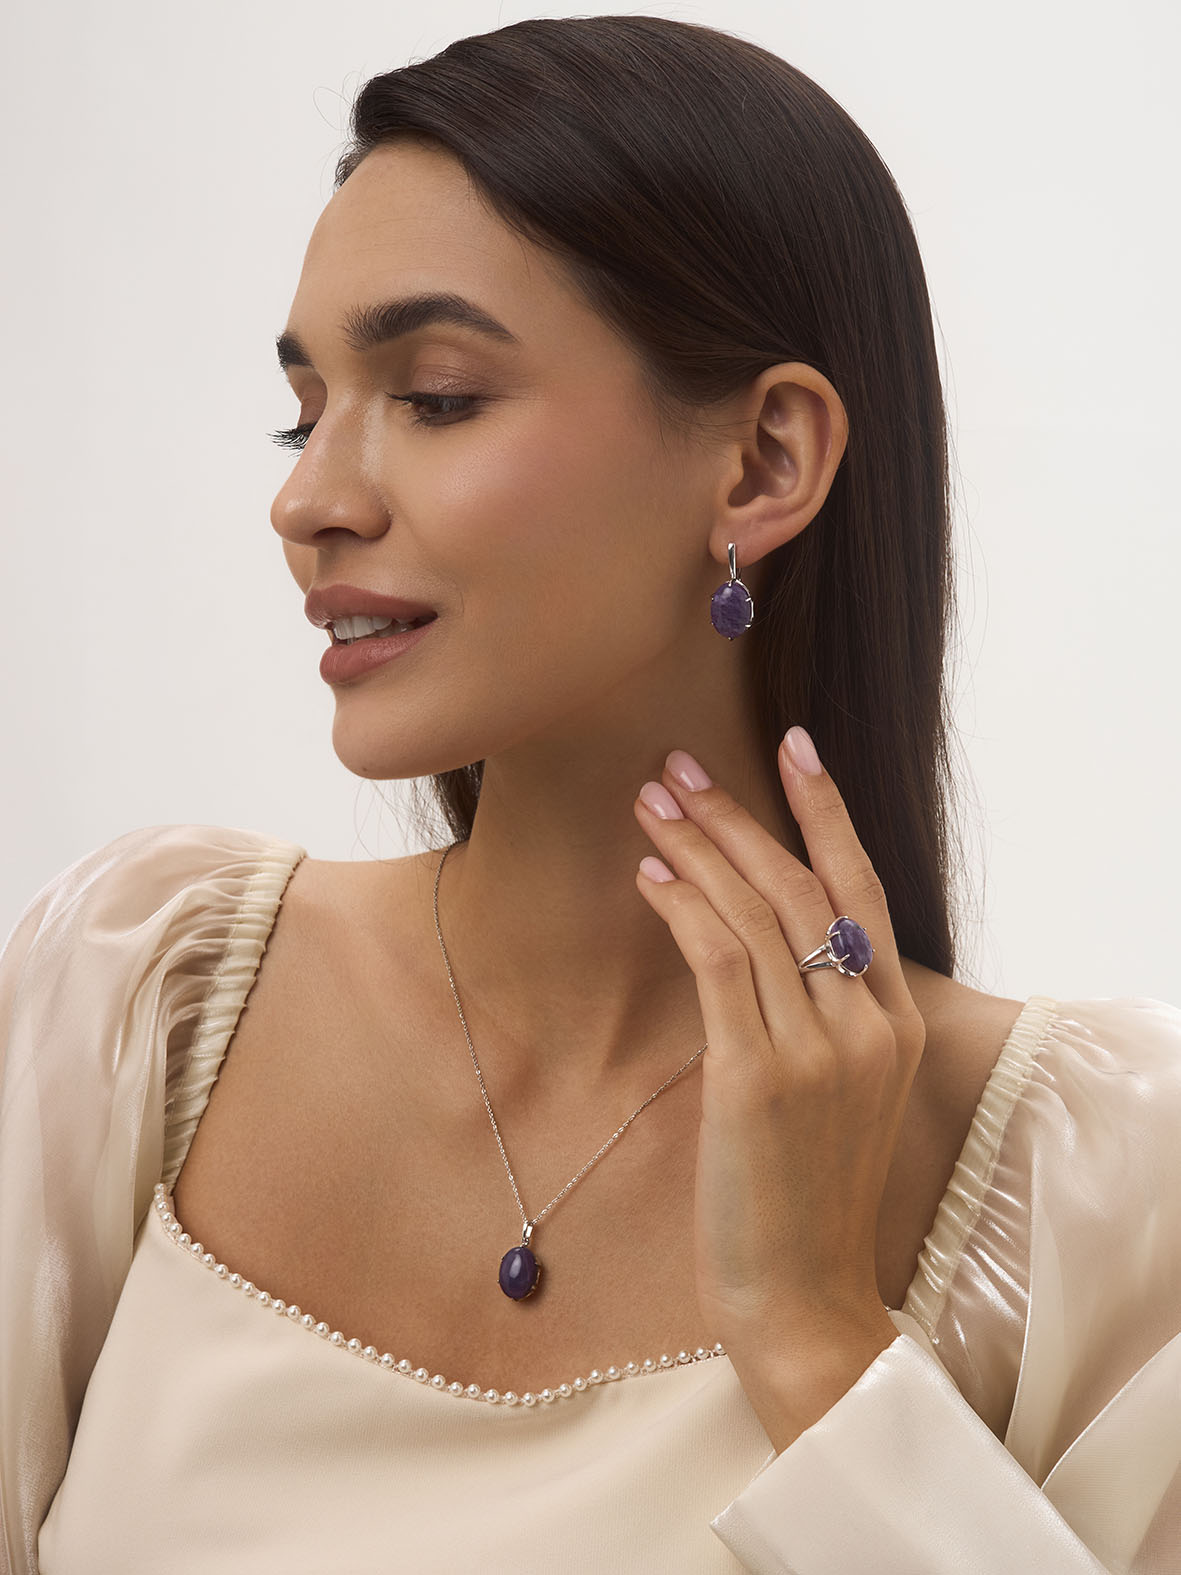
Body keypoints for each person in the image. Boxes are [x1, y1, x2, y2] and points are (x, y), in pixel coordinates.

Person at [3, 14, 1178, 1573]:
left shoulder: (1098, 1194)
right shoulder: (130, 1002)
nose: (307, 497)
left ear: (761, 463)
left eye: (435, 396)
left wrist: (817, 1336)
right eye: (305, 406)